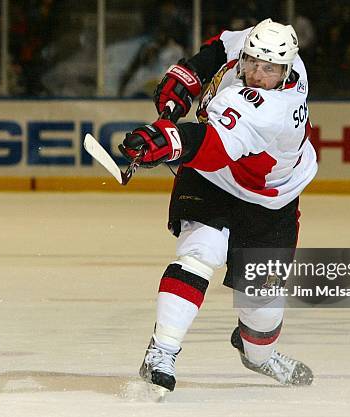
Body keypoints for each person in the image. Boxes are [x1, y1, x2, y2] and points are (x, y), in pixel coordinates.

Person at [120, 18, 317, 392]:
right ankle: (161, 351)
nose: (258, 73)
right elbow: (221, 47)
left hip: (269, 200)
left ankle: (256, 353)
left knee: (260, 314)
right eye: (253, 63)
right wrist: (187, 75)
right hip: (212, 183)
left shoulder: (272, 109)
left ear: (287, 71)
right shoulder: (263, 47)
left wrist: (167, 141)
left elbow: (210, 146)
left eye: (269, 69)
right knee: (198, 253)